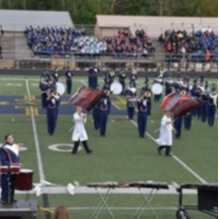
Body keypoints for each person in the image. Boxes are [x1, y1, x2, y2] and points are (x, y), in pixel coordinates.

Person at [0, 134, 21, 204]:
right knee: (5, 184)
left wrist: (18, 163)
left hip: (15, 169)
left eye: (11, 138)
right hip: (7, 170)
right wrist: (10, 166)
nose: (10, 139)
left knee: (13, 184)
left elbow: (17, 157)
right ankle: (5, 199)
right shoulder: (4, 148)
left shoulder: (16, 146)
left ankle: (11, 198)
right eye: (9, 138)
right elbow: (3, 160)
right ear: (6, 139)